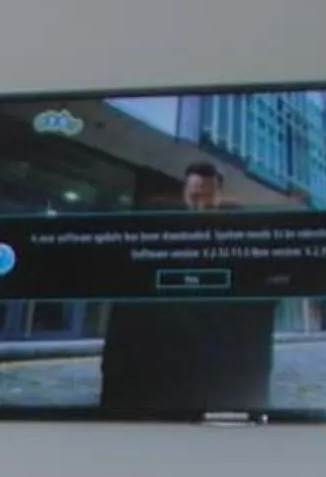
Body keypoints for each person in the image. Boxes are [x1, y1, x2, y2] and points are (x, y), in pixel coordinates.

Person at [96, 159, 274, 414]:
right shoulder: (157, 228)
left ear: (219, 196)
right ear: (185, 193)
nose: (200, 203)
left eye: (207, 196)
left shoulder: (240, 233)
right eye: (194, 195)